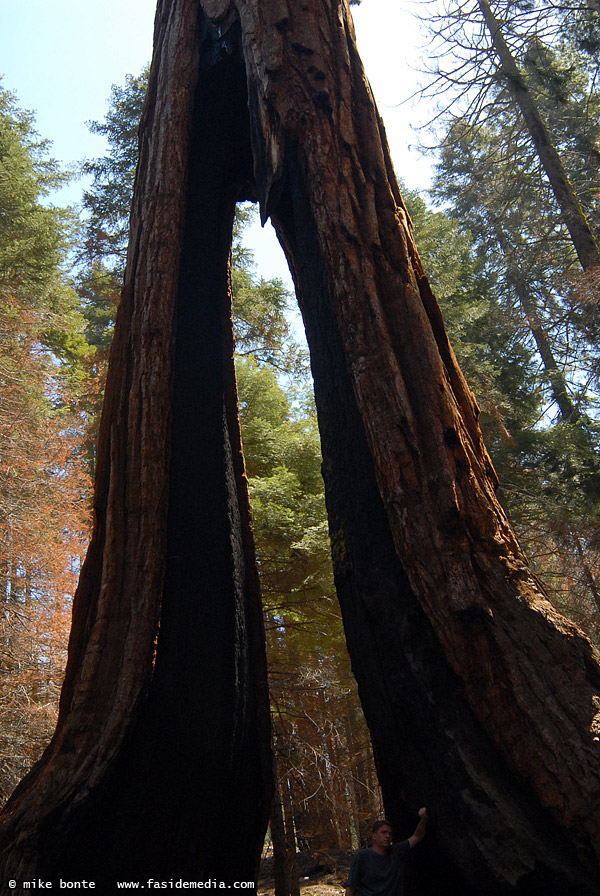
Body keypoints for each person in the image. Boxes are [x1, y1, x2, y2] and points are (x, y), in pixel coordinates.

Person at [345, 809, 428, 896]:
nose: (387, 836)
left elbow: (417, 836)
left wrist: (423, 819)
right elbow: (351, 887)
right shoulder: (361, 857)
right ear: (374, 836)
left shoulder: (397, 852)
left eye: (390, 833)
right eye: (383, 832)